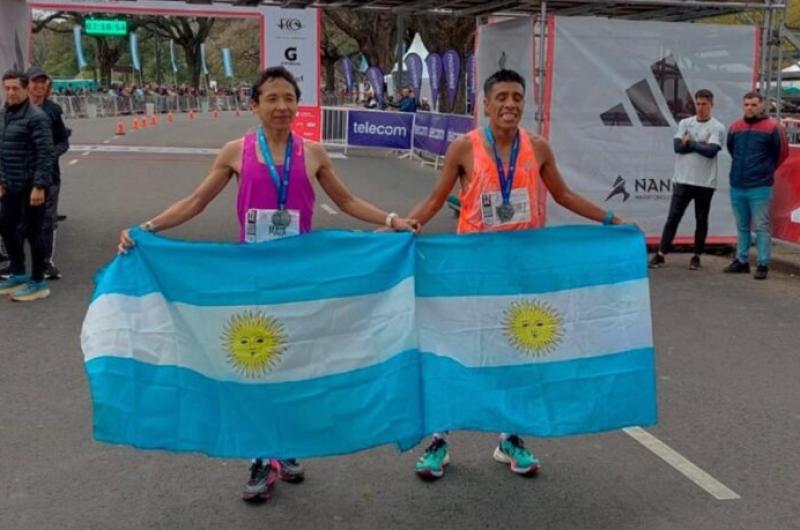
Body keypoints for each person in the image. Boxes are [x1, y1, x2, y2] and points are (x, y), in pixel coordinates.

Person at [117, 66, 419, 503]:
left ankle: (287, 446)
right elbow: (197, 201)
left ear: (298, 104)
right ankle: (261, 455)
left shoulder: (313, 153)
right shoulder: (235, 152)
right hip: (253, 280)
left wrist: (392, 221)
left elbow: (346, 201)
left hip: (302, 279)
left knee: (296, 364)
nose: (282, 107)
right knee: (256, 363)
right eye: (272, 98)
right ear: (254, 105)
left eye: (288, 98)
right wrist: (147, 227)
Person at [406, 69, 623, 481]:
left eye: (517, 97)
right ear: (485, 105)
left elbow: (563, 195)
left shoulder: (537, 147)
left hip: (522, 272)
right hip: (472, 271)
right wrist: (401, 227)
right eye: (501, 96)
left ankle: (510, 438)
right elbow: (435, 199)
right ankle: (438, 441)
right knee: (458, 353)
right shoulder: (463, 148)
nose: (510, 104)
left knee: (517, 354)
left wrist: (611, 219)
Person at [649, 89, 725, 271]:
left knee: (701, 219)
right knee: (673, 218)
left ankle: (696, 256)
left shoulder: (717, 127)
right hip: (682, 180)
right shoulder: (685, 123)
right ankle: (661, 254)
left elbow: (711, 151)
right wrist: (700, 144)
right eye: (697, 104)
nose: (700, 108)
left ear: (711, 105)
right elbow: (677, 147)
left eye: (704, 104)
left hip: (705, 182)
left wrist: (690, 143)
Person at [0, 70, 55, 302]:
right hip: (10, 184)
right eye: (7, 88)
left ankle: (38, 281)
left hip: (31, 186)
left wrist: (40, 186)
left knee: (33, 232)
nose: (11, 92)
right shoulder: (4, 115)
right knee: (6, 228)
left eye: (15, 88)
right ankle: (19, 272)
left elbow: (46, 153)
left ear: (25, 89)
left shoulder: (36, 116)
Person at [724, 91, 788, 280]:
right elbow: (731, 149)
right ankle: (741, 261)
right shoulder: (735, 127)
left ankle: (762, 263)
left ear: (762, 105)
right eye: (746, 104)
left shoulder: (772, 128)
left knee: (761, 226)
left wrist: (765, 171)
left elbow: (781, 153)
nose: (749, 108)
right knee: (742, 226)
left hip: (760, 186)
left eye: (753, 104)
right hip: (737, 184)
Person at [27, 66, 71, 280]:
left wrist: (50, 154)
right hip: (20, 173)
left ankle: (46, 262)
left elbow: (63, 141)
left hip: (48, 175)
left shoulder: (53, 110)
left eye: (42, 82)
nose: (38, 86)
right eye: (34, 82)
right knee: (16, 219)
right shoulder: (13, 108)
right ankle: (14, 263)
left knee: (46, 218)